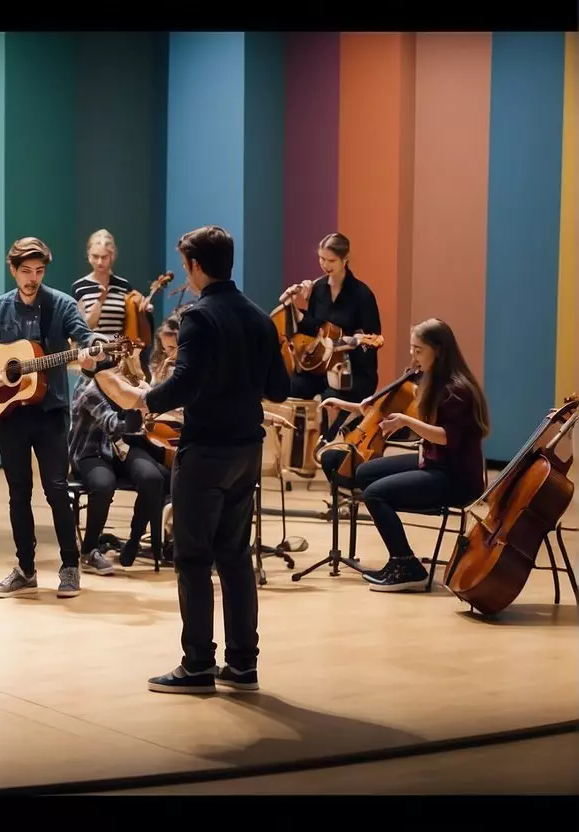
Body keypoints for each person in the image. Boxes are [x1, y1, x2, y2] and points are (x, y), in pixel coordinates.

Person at [92, 225, 290, 694]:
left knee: (195, 559)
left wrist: (145, 399)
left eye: (186, 265)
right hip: (247, 450)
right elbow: (280, 389)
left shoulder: (199, 318)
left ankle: (198, 664)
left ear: (196, 266)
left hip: (206, 453)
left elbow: (183, 385)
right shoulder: (261, 319)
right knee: (236, 558)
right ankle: (243, 665)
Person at [0, 236, 104, 599]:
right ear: (13, 270)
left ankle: (70, 566)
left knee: (56, 489)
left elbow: (86, 340)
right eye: (25, 271)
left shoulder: (62, 305)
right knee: (18, 493)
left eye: (39, 271)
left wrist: (90, 355)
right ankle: (26, 568)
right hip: (9, 414)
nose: (32, 278)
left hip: (49, 412)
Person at [320, 318, 490, 593]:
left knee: (375, 493)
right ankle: (400, 561)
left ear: (439, 350)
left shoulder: (456, 390)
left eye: (418, 350)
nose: (412, 356)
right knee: (364, 472)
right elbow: (384, 411)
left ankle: (406, 565)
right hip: (434, 461)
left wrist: (406, 422)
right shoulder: (432, 381)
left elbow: (446, 437)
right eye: (412, 348)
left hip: (455, 477)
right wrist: (348, 406)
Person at [69, 348, 169, 568]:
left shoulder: (126, 382)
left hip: (120, 448)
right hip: (91, 451)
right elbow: (112, 424)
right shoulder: (89, 389)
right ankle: (89, 550)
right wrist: (140, 410)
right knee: (104, 484)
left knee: (153, 478)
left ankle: (133, 541)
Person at [281, 233, 381, 440]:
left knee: (330, 398)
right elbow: (314, 328)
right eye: (321, 259)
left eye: (331, 260)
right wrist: (294, 307)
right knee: (291, 387)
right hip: (321, 365)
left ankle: (325, 447)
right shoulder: (318, 289)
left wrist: (348, 344)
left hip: (352, 370)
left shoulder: (362, 295)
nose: (325, 265)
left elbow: (373, 339)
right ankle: (297, 450)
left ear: (345, 259)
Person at [71, 229, 134, 337]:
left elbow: (130, 323)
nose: (99, 262)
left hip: (119, 350)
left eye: (104, 257)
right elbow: (80, 329)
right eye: (95, 256)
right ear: (89, 255)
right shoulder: (79, 287)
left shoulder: (123, 286)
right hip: (92, 351)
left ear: (112, 256)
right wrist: (100, 301)